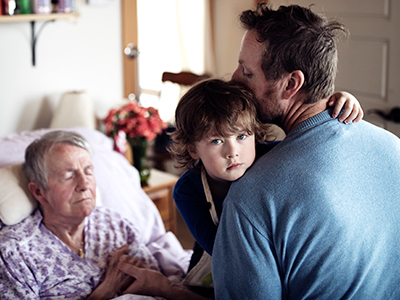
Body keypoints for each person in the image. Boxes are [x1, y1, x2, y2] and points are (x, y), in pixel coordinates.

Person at [212, 3, 400, 299]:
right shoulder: (394, 147)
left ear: (291, 84)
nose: (234, 78)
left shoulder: (253, 197)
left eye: (247, 72)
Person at [168, 78, 362, 280]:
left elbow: (316, 144)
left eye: (242, 136)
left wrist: (339, 103)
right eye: (217, 141)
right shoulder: (187, 190)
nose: (233, 152)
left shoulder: (273, 154)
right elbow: (224, 254)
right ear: (192, 149)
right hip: (215, 270)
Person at [0, 130, 204, 300]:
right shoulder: (15, 253)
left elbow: (150, 287)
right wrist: (105, 291)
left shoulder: (113, 223)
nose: (84, 184)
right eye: (69, 175)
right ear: (38, 191)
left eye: (88, 171)